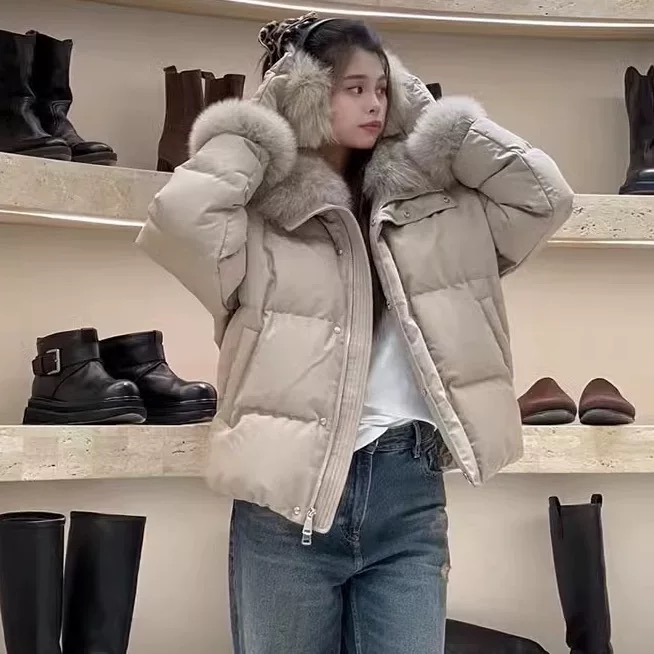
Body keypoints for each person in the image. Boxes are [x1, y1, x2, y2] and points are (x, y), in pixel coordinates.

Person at [136, 14, 573, 654]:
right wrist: (269, 116)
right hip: (287, 498)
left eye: (383, 88)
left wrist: (427, 113)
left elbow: (547, 197)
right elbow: (178, 219)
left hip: (407, 488)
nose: (375, 103)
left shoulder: (432, 205)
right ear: (309, 93)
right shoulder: (258, 214)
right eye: (353, 88)